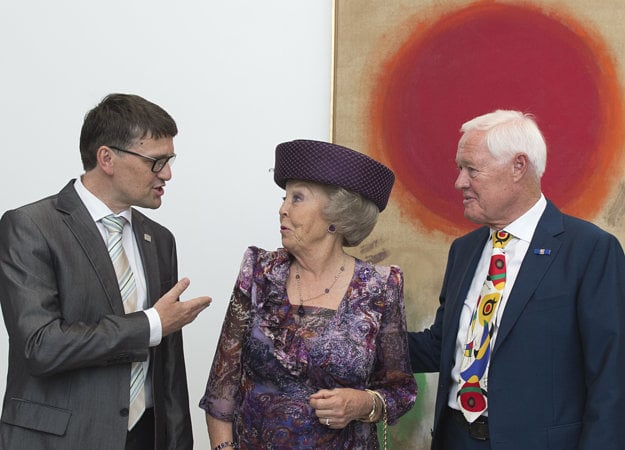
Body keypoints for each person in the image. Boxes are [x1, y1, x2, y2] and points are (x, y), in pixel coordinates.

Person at [0, 93, 212, 450]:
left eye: (170, 160)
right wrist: (150, 325)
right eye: (157, 161)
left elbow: (168, 370)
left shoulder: (158, 239)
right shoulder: (30, 227)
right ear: (107, 158)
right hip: (59, 441)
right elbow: (41, 346)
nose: (168, 174)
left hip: (145, 438)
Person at [408, 110, 625, 449]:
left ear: (518, 167)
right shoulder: (464, 250)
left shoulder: (590, 250)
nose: (459, 182)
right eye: (459, 169)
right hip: (455, 438)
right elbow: (445, 346)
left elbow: (611, 376)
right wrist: (357, 336)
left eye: (471, 169)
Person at [199, 139, 417, 449]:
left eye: (297, 198)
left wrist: (363, 403)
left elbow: (401, 390)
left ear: (336, 215)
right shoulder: (259, 271)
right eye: (284, 197)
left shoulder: (380, 287)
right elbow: (222, 385)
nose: (282, 210)